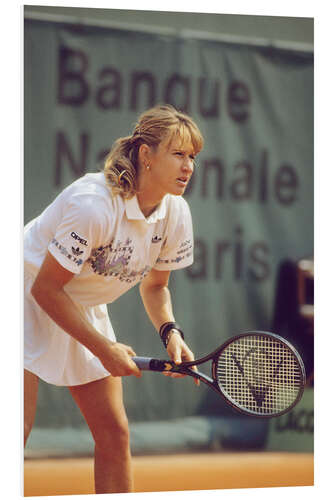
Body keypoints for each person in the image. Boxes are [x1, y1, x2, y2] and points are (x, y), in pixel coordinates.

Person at [24, 104, 204, 494]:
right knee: (14, 428)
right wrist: (104, 348)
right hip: (21, 292)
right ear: (145, 155)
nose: (188, 166)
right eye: (178, 154)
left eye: (192, 156)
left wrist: (170, 333)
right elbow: (44, 289)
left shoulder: (176, 212)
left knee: (114, 434)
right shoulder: (94, 203)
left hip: (79, 304)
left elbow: (155, 286)